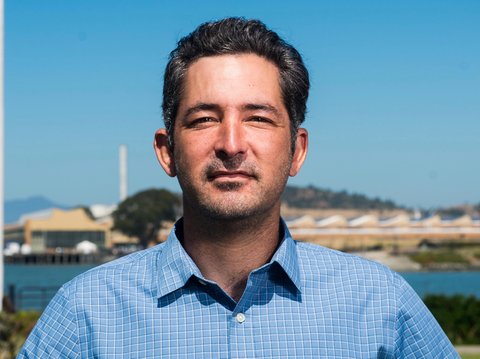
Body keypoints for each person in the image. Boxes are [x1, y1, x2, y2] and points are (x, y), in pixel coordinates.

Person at [19, 17, 458, 358]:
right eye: (204, 119)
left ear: (297, 150)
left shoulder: (380, 303)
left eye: (259, 118)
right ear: (166, 150)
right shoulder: (85, 314)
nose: (231, 144)